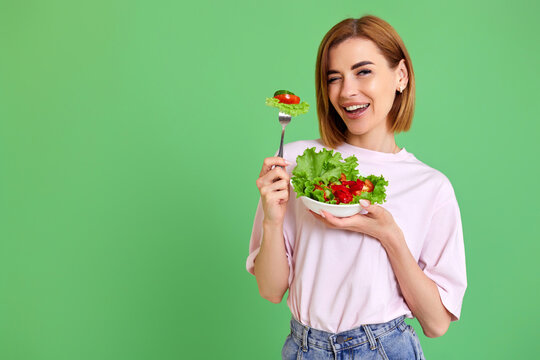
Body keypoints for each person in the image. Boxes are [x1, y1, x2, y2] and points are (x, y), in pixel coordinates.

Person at [246, 15, 466, 360]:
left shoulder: (431, 187)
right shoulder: (297, 162)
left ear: (401, 76)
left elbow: (436, 323)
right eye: (334, 78)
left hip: (386, 349)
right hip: (305, 348)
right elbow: (271, 290)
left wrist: (390, 235)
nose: (346, 91)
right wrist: (273, 220)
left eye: (363, 71)